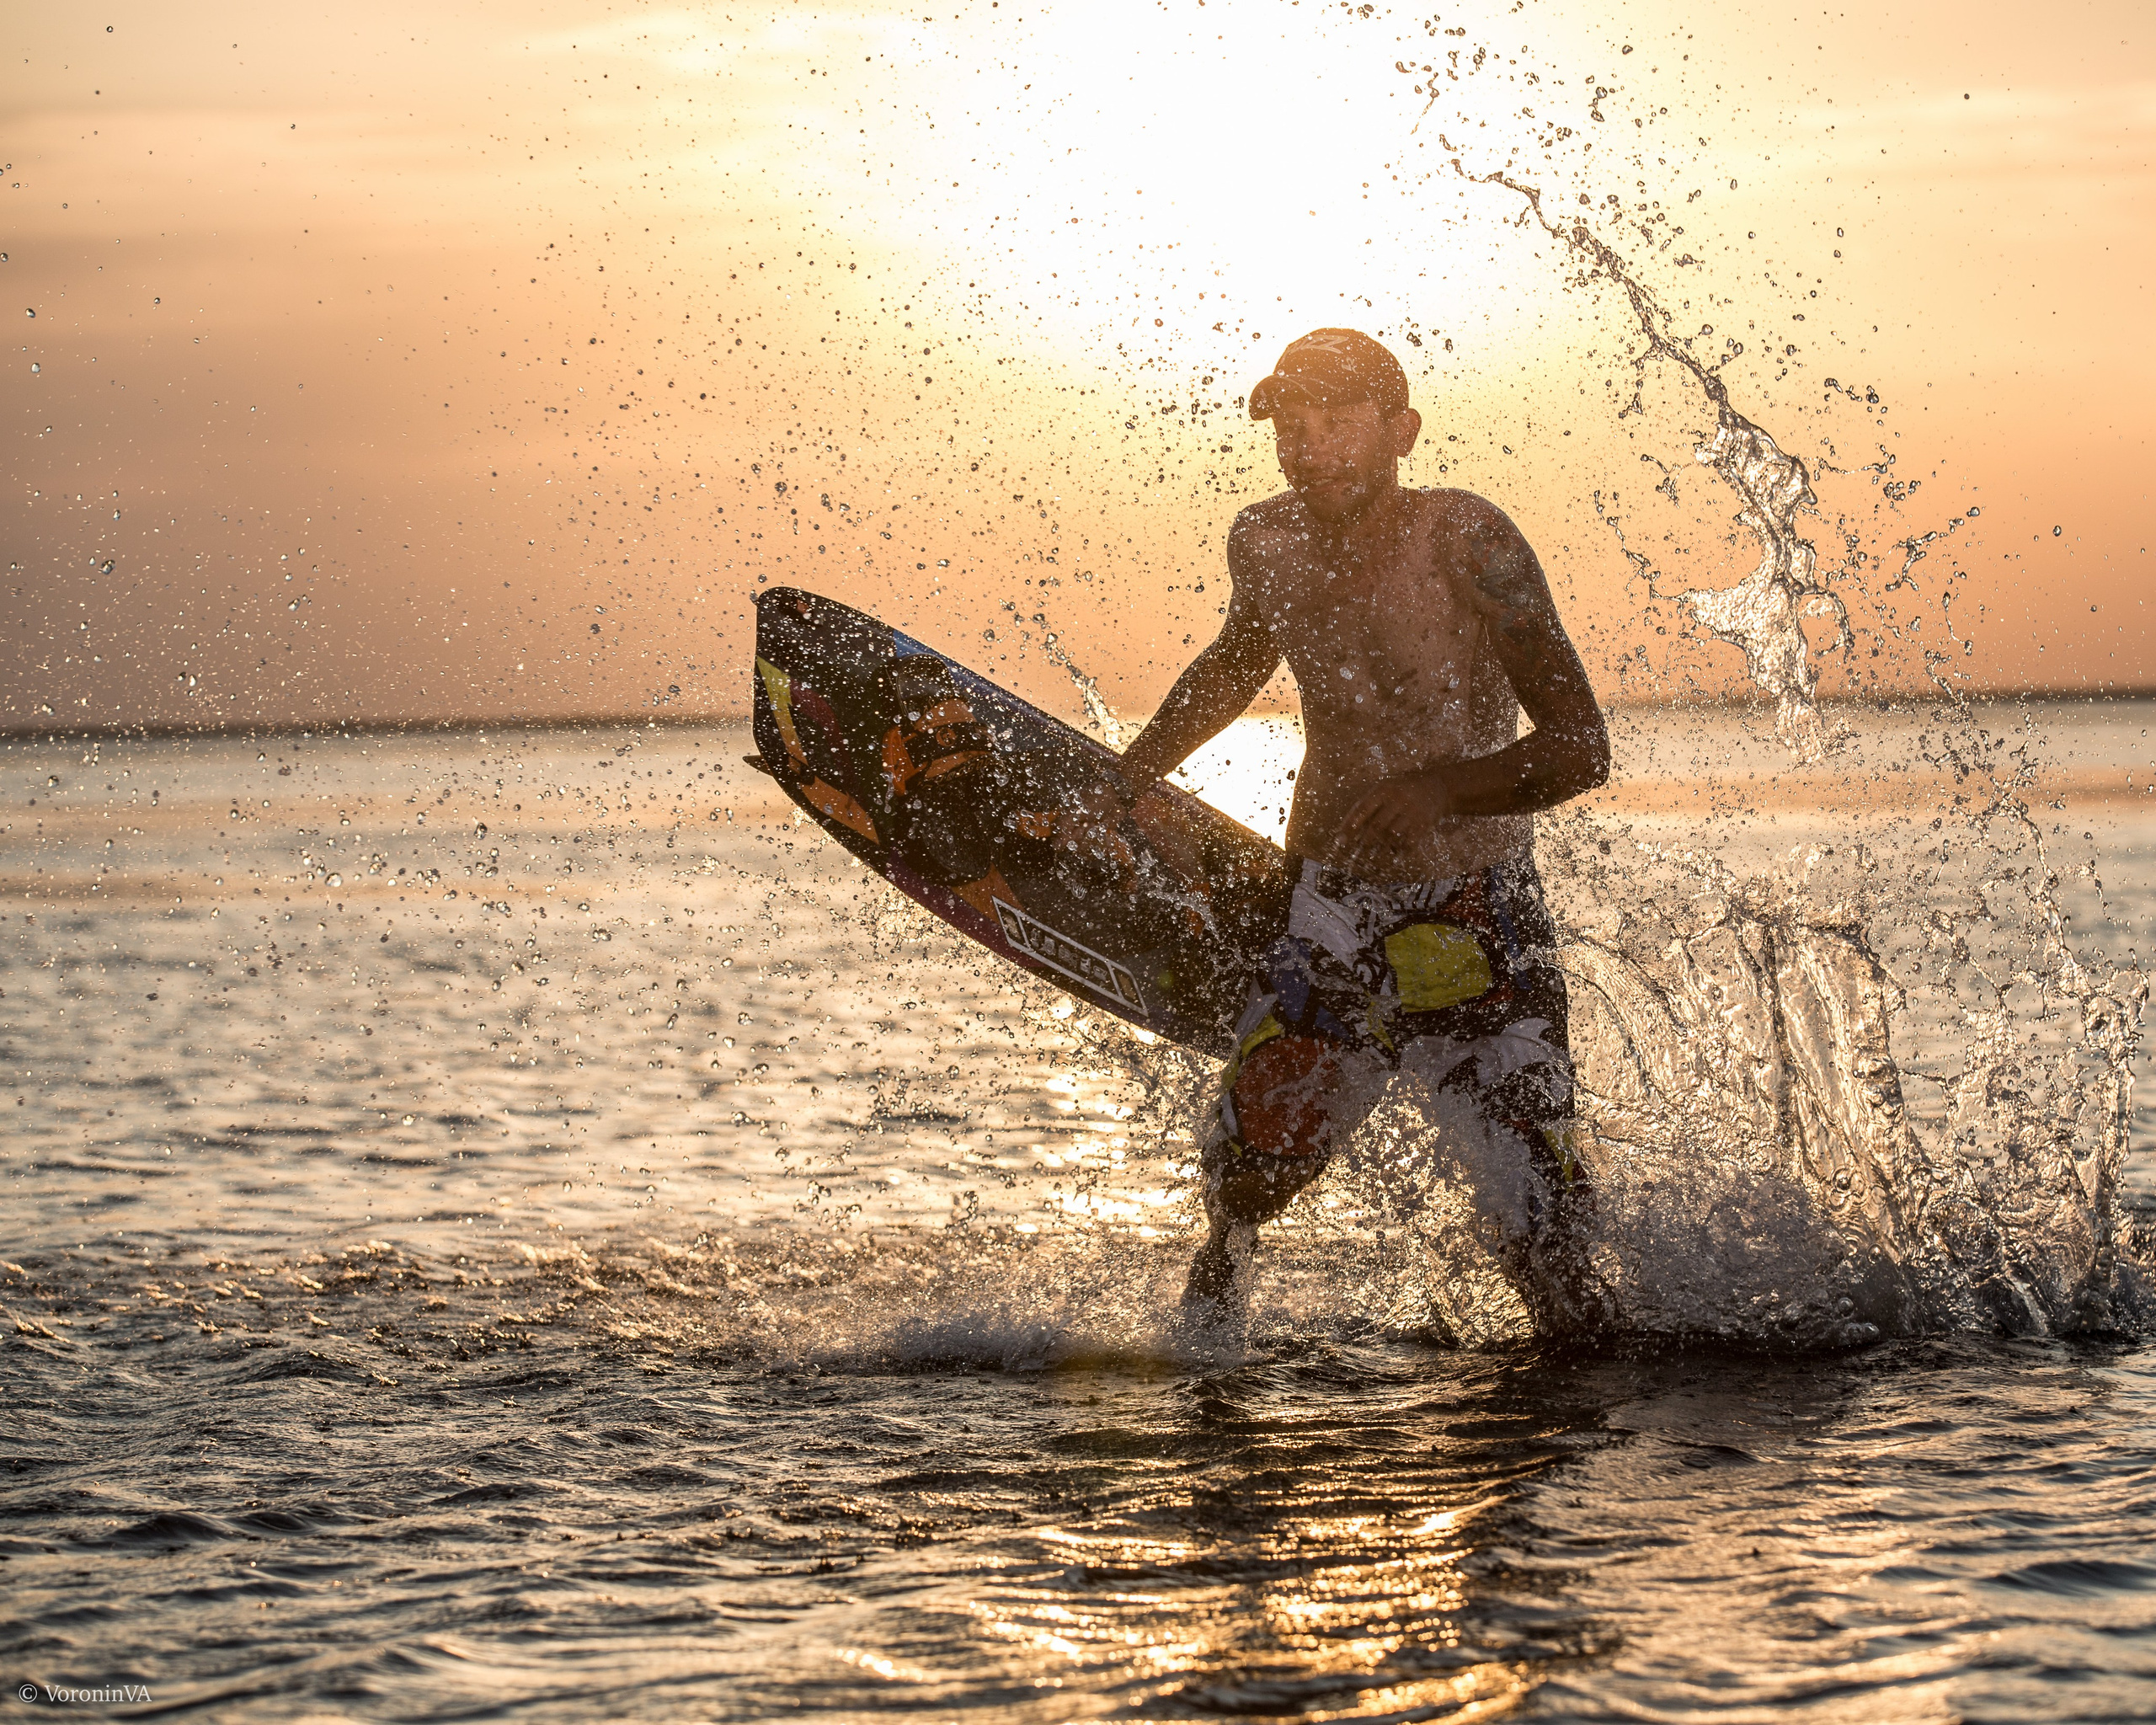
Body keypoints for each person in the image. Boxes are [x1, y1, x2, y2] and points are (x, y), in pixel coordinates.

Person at [1108, 328, 1614, 1333]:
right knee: (1253, 1167)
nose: (1311, 447)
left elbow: (1580, 746)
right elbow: (1233, 662)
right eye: (1293, 427)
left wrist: (1441, 790)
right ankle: (1202, 1361)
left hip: (1476, 910)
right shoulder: (1264, 539)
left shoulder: (1467, 539)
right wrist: (1128, 775)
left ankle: (1590, 1384)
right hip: (1328, 907)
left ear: (1401, 431)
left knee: (1536, 1220)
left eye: (1338, 422)